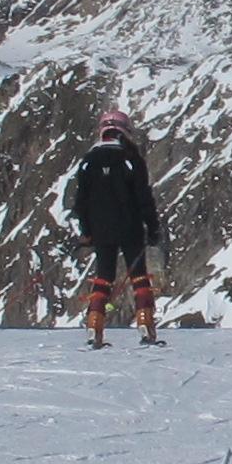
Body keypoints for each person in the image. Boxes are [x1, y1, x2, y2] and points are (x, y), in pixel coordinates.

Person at [63, 107, 165, 348]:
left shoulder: (89, 161)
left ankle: (94, 327)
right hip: (130, 225)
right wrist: (153, 228)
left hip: (100, 227)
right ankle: (146, 324)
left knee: (103, 276)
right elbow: (144, 198)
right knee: (138, 275)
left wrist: (87, 231)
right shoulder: (131, 159)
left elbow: (81, 201)